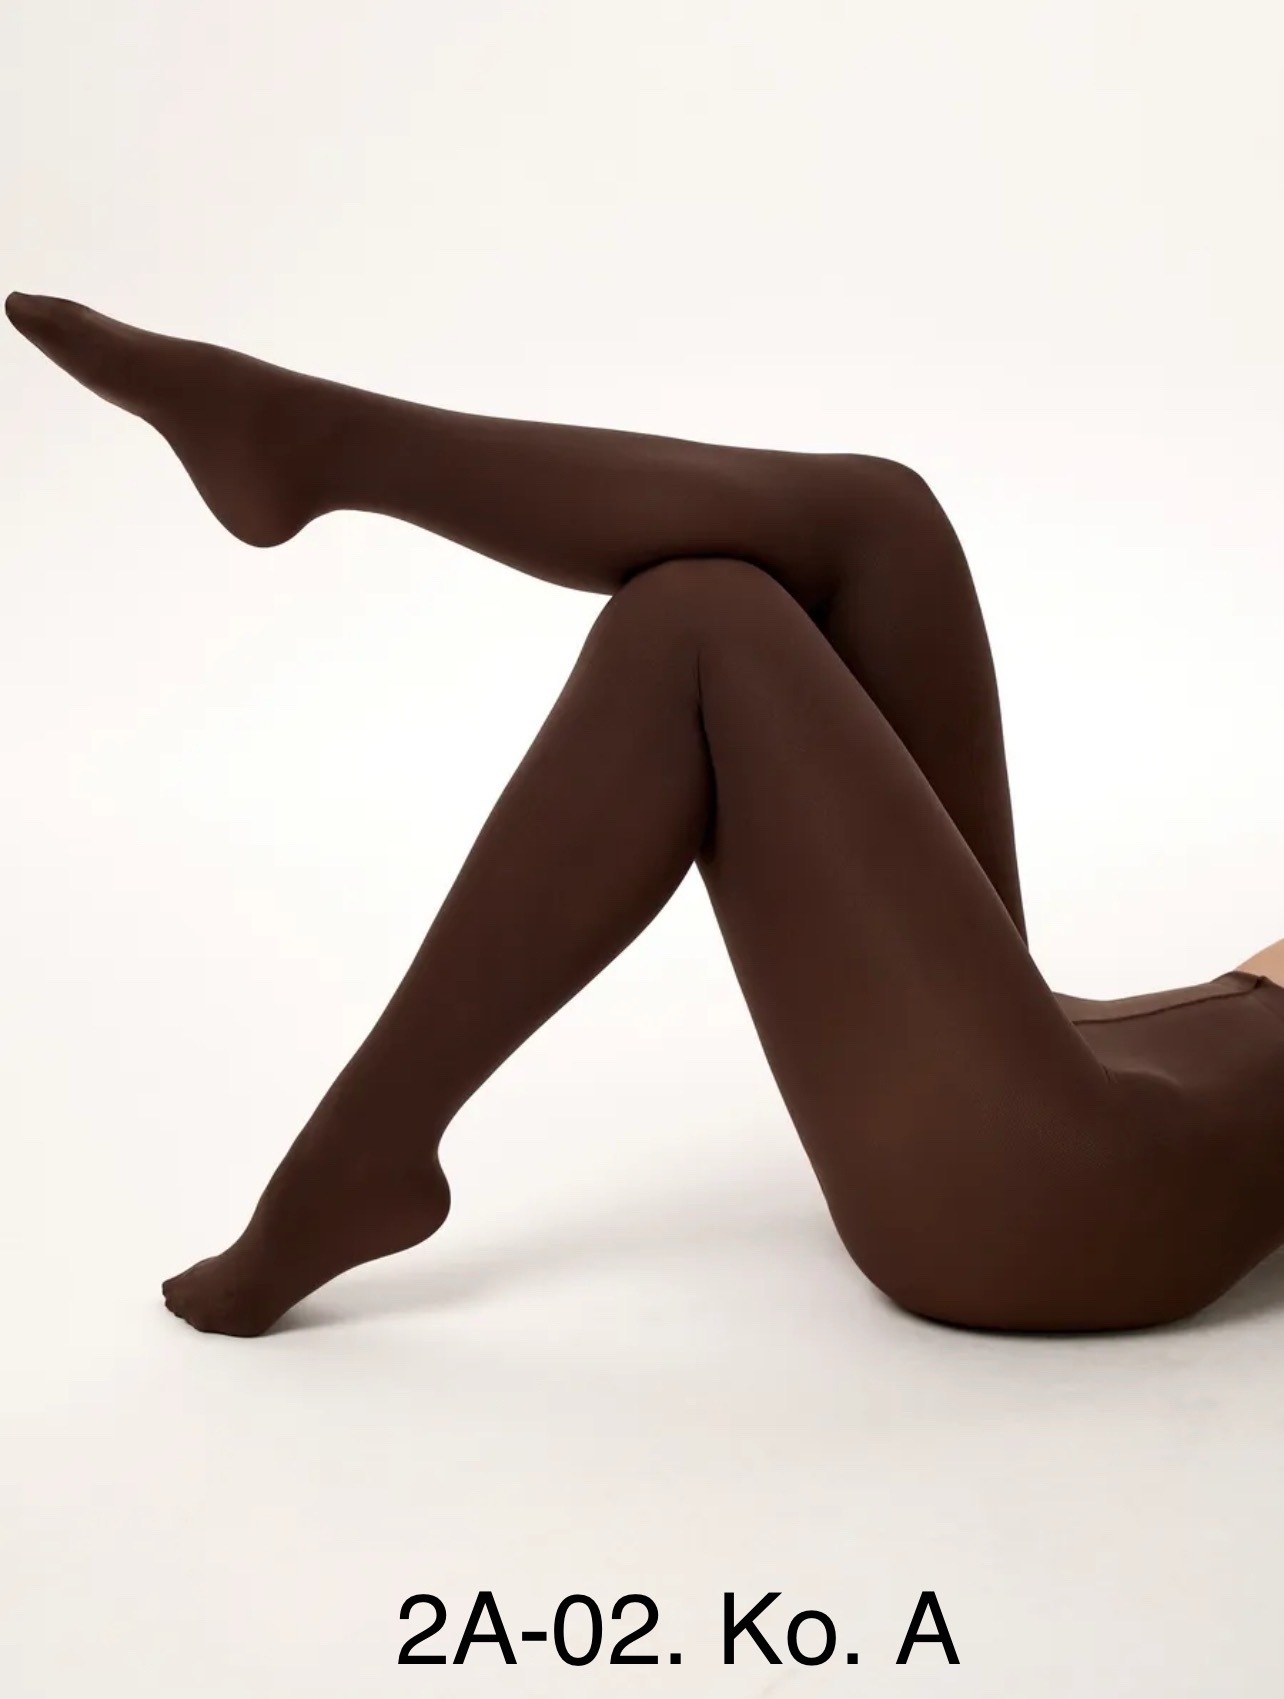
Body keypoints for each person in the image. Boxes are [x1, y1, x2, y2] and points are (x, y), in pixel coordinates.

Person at [7, 290, 1284, 1341]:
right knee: (884, 523)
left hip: (1068, 1199)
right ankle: (323, 444)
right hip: (1079, 1070)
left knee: (700, 625)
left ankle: (358, 1159)